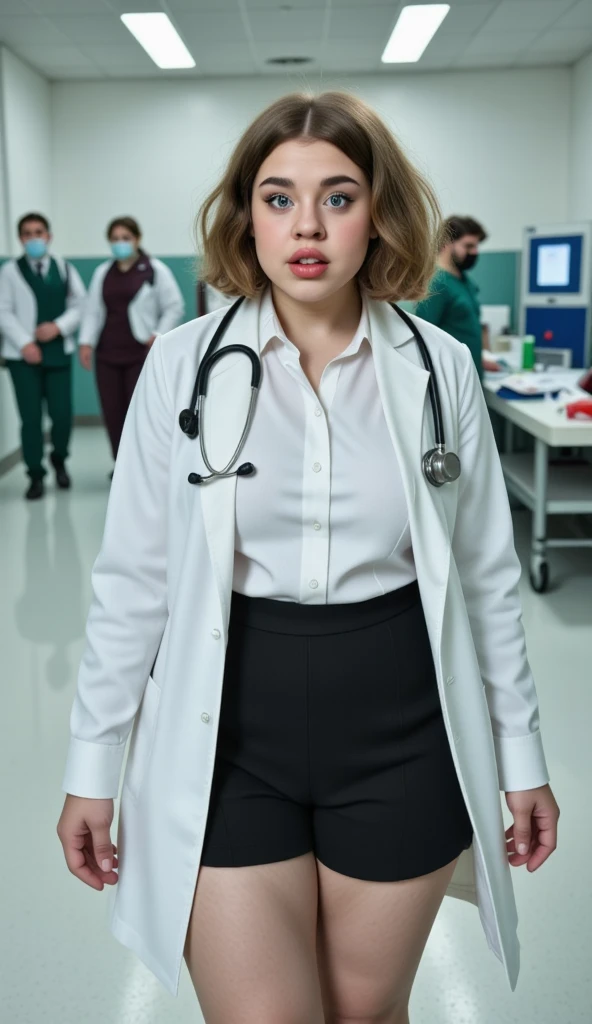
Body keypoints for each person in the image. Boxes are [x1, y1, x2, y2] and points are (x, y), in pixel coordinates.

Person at [57, 92, 559, 1021]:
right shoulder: (181, 363)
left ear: (379, 213)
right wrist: (92, 766)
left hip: (402, 729)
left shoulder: (440, 367)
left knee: (365, 1011)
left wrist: (521, 758)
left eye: (339, 196)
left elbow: (488, 581)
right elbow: (132, 582)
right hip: (226, 732)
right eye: (279, 197)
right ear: (246, 215)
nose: (309, 227)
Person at [78, 216, 184, 473]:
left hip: (141, 354)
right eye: (114, 239)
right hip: (107, 353)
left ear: (137, 239)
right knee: (113, 413)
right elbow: (93, 310)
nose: (120, 244)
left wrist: (159, 333)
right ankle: (121, 465)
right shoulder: (103, 272)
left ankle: (145, 467)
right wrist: (85, 342)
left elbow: (174, 306)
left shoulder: (155, 270)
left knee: (141, 414)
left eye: (125, 238)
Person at [0, 213, 86, 500]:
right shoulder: (10, 271)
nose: (33, 238)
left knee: (62, 416)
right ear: (20, 239)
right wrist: (25, 343)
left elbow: (79, 304)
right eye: (27, 233)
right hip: (22, 358)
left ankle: (59, 459)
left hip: (58, 352)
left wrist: (58, 327)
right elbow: (4, 311)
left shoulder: (63, 268)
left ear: (48, 236)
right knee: (31, 419)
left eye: (38, 232)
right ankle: (35, 475)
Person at [415, 215, 498, 378]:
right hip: (450, 376)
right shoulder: (436, 283)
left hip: (471, 372)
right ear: (446, 244)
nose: (474, 252)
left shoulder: (465, 281)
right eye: (468, 246)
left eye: (476, 246)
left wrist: (480, 358)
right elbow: (422, 337)